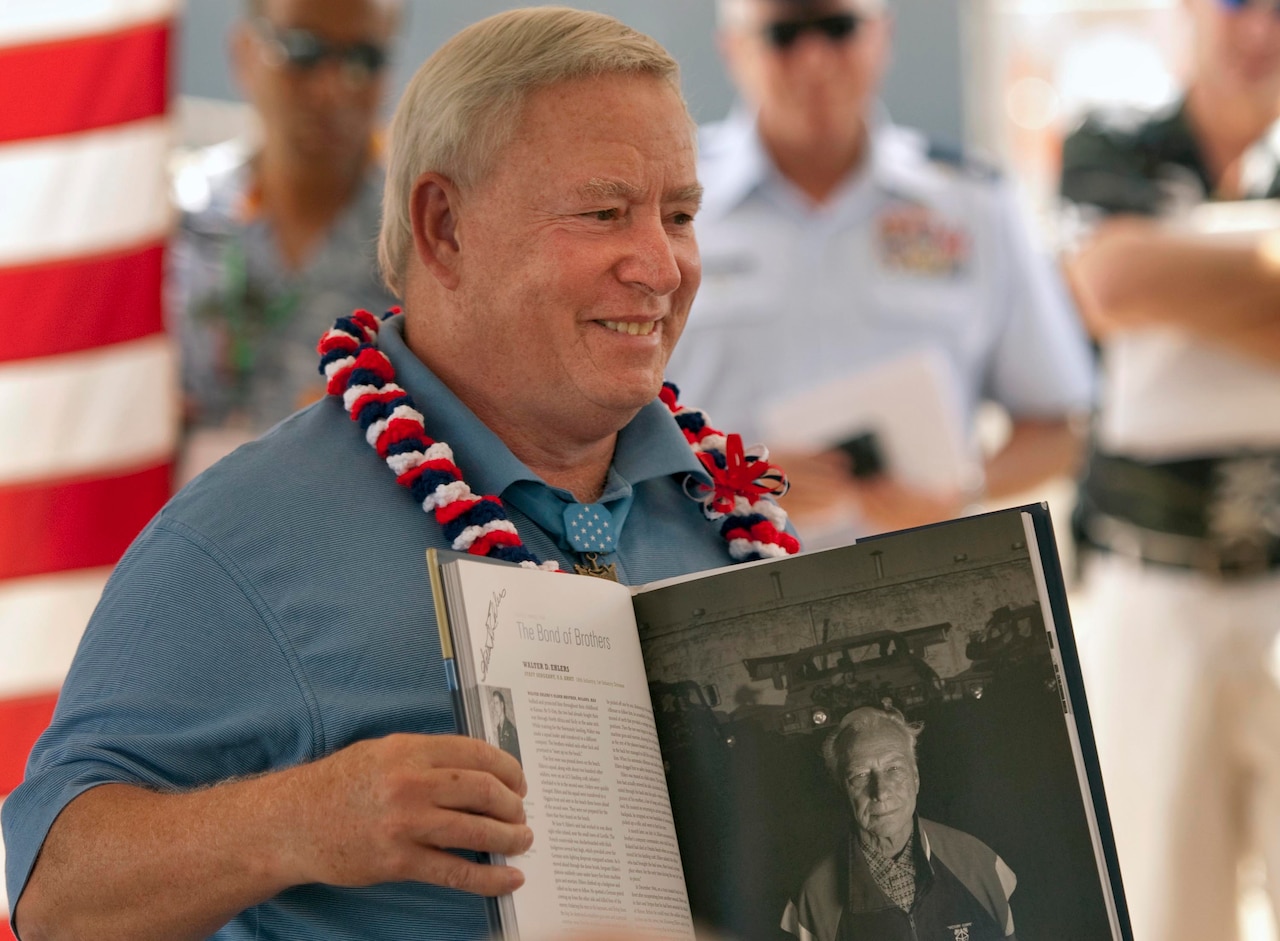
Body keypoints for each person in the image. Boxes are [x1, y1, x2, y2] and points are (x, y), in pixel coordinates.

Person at [1, 8, 798, 939]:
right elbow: (53, 890)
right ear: (444, 226)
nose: (662, 266)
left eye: (680, 215)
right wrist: (301, 818)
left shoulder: (728, 514)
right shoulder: (246, 538)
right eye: (604, 212)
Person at [666, 0, 1094, 541]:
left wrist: (964, 490)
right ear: (733, 48)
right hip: (717, 574)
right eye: (783, 35)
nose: (816, 60)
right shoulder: (670, 204)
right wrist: (735, 479)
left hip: (921, 577)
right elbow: (604, 428)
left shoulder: (971, 202)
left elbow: (1056, 427)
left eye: (839, 29)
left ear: (882, 37)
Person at [1058, 0, 1280, 937]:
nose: (1257, 28)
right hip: (1152, 586)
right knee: (1166, 902)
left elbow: (1146, 279)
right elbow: (1111, 283)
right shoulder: (1114, 141)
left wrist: (1187, 281)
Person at [171, 0, 401, 476]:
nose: (334, 89)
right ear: (244, 53)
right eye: (303, 50)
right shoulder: (175, 217)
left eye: (364, 58)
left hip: (346, 526)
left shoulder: (421, 242)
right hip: (180, 526)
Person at [781, 707, 1017, 941]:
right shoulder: (813, 898)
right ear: (843, 789)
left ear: (915, 778)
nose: (880, 792)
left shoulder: (980, 864)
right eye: (860, 775)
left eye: (893, 769)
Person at [490, 689, 522, 765]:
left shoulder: (510, 728)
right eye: (494, 704)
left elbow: (516, 755)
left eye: (497, 703)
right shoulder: (498, 727)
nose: (495, 707)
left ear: (502, 705)